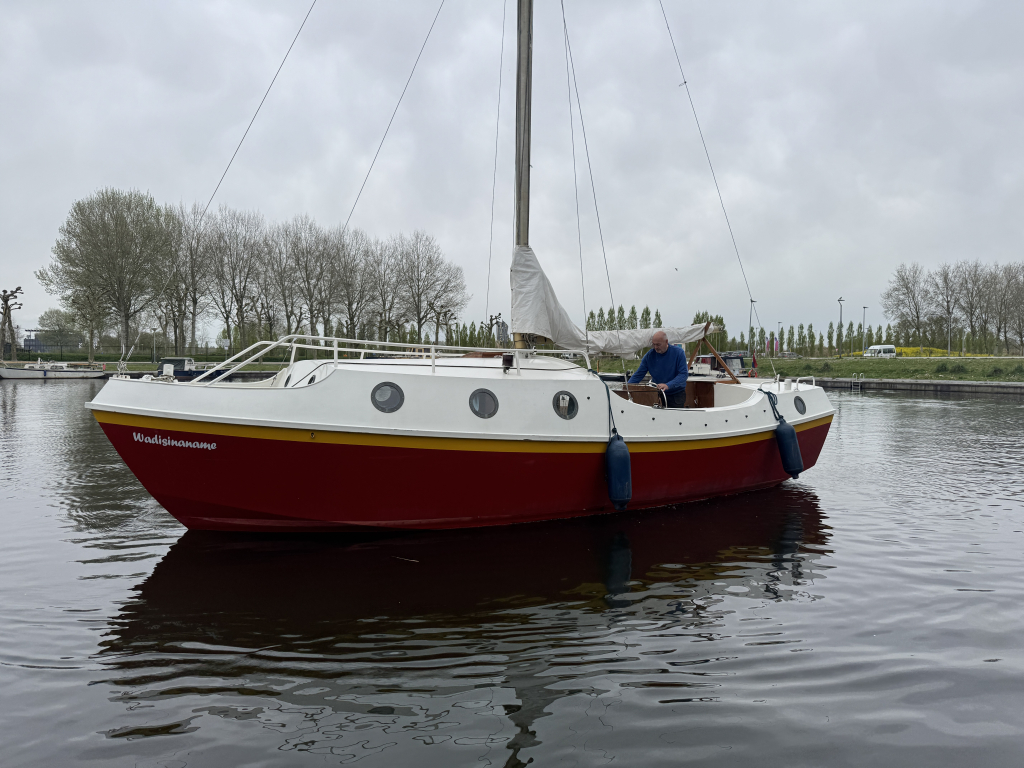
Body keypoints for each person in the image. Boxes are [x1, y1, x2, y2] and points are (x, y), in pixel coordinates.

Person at [628, 330, 689, 408]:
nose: (656, 347)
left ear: (666, 342)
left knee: (674, 416)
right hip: (658, 394)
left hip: (676, 395)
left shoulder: (679, 353)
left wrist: (668, 385)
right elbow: (638, 375)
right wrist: (627, 387)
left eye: (658, 345)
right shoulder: (649, 356)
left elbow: (683, 375)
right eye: (654, 344)